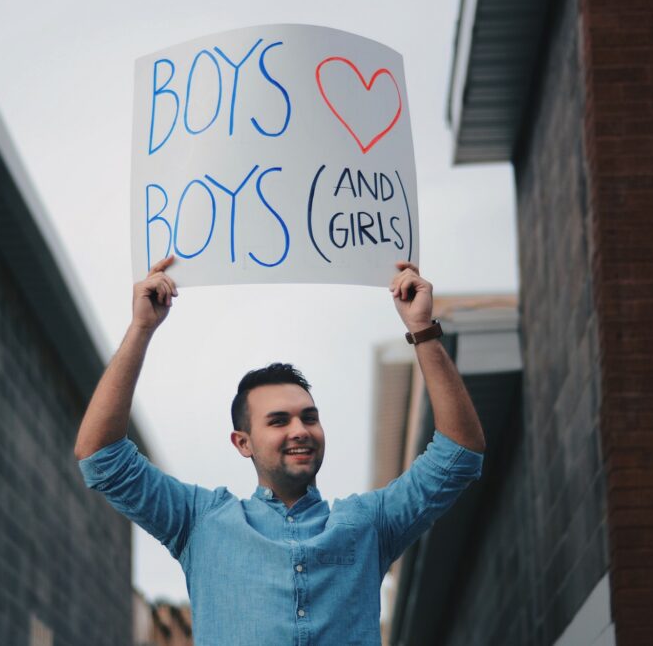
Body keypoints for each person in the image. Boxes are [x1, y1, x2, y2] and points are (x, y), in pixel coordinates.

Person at [74, 256, 485, 645]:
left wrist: (423, 329)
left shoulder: (367, 525)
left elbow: (460, 453)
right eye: (278, 421)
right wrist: (141, 328)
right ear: (243, 443)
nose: (299, 430)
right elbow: (101, 457)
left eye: (309, 417)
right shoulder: (199, 523)